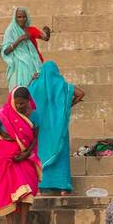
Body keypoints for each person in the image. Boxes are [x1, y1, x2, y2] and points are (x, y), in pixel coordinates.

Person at [0, 86, 41, 224]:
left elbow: (35, 137)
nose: (20, 106)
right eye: (17, 103)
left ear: (28, 102)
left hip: (23, 156)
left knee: (28, 186)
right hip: (3, 156)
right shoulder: (3, 114)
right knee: (6, 188)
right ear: (12, 101)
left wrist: (26, 153)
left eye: (23, 103)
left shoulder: (34, 115)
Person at [27, 60, 84, 195]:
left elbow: (24, 95)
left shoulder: (35, 85)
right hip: (59, 129)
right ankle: (63, 188)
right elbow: (81, 93)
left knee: (40, 154)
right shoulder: (62, 85)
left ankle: (40, 188)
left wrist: (30, 81)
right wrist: (67, 106)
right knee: (61, 157)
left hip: (40, 130)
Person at [0, 7, 49, 92]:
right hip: (18, 67)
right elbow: (5, 51)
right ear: (15, 18)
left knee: (35, 91)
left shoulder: (31, 30)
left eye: (24, 17)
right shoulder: (10, 31)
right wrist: (19, 39)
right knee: (20, 93)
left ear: (27, 18)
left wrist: (47, 31)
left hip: (34, 65)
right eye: (19, 17)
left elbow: (45, 38)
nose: (22, 19)